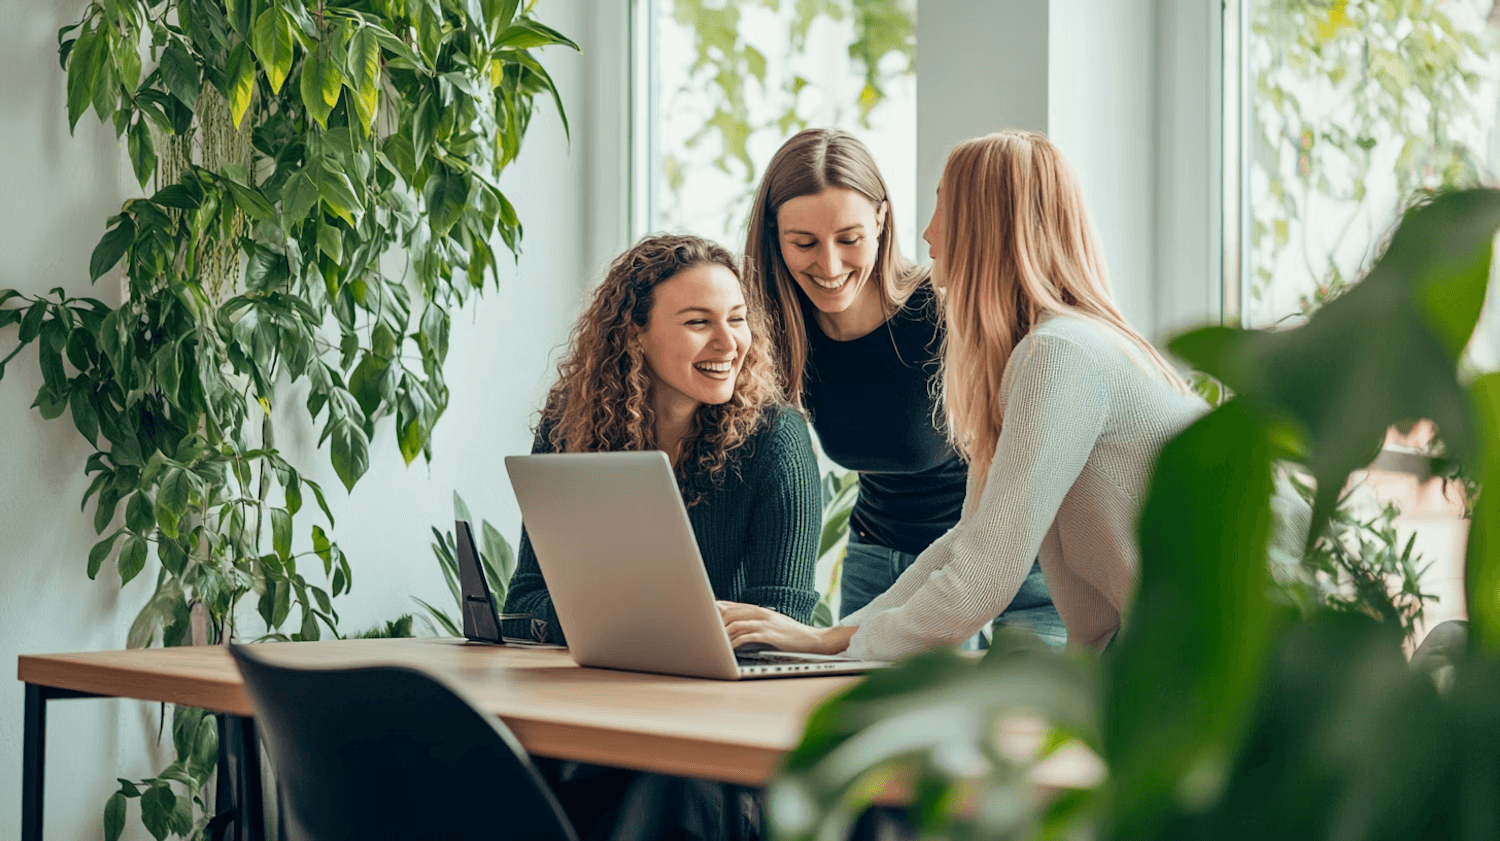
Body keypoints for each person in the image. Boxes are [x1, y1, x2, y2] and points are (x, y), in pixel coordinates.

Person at [719, 130, 1207, 660]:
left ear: (987, 226)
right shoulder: (1045, 348)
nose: (926, 234)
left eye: (943, 207)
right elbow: (969, 538)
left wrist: (834, 641)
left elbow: (984, 574)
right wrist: (833, 637)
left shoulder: (1058, 353)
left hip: (1224, 647)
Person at [502, 233, 821, 841]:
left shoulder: (776, 442)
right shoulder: (568, 429)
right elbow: (525, 603)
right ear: (635, 335)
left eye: (737, 319)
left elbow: (780, 625)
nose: (728, 343)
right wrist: (645, 628)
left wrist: (608, 621)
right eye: (699, 322)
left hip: (721, 733)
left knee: (670, 790)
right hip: (599, 717)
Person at [741, 127, 1064, 647]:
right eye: (804, 243)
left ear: (882, 221)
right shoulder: (776, 329)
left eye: (849, 239)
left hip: (1000, 555)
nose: (828, 266)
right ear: (774, 238)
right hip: (877, 554)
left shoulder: (945, 310)